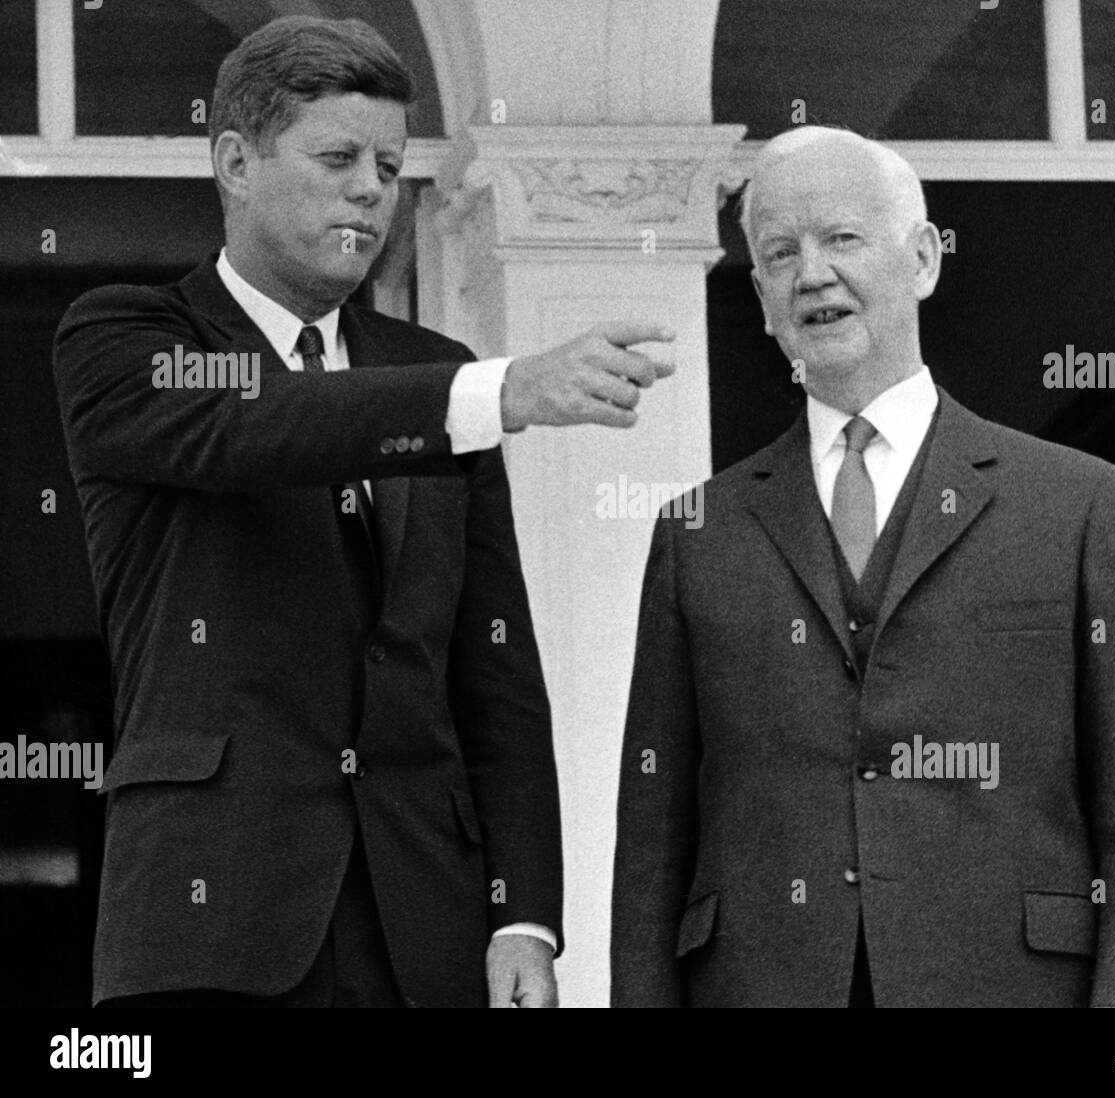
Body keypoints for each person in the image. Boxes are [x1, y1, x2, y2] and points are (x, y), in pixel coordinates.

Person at [53, 15, 673, 1008]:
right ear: (235, 162)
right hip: (210, 926)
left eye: (389, 165)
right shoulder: (126, 340)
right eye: (338, 157)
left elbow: (494, 674)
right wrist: (499, 397)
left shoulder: (437, 371)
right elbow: (262, 426)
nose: (371, 190)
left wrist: (523, 917)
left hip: (422, 924)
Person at [610, 126, 1115, 1007]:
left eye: (842, 238)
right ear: (760, 298)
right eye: (780, 253)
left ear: (922, 259)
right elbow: (653, 844)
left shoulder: (1078, 504)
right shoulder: (698, 531)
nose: (812, 273)